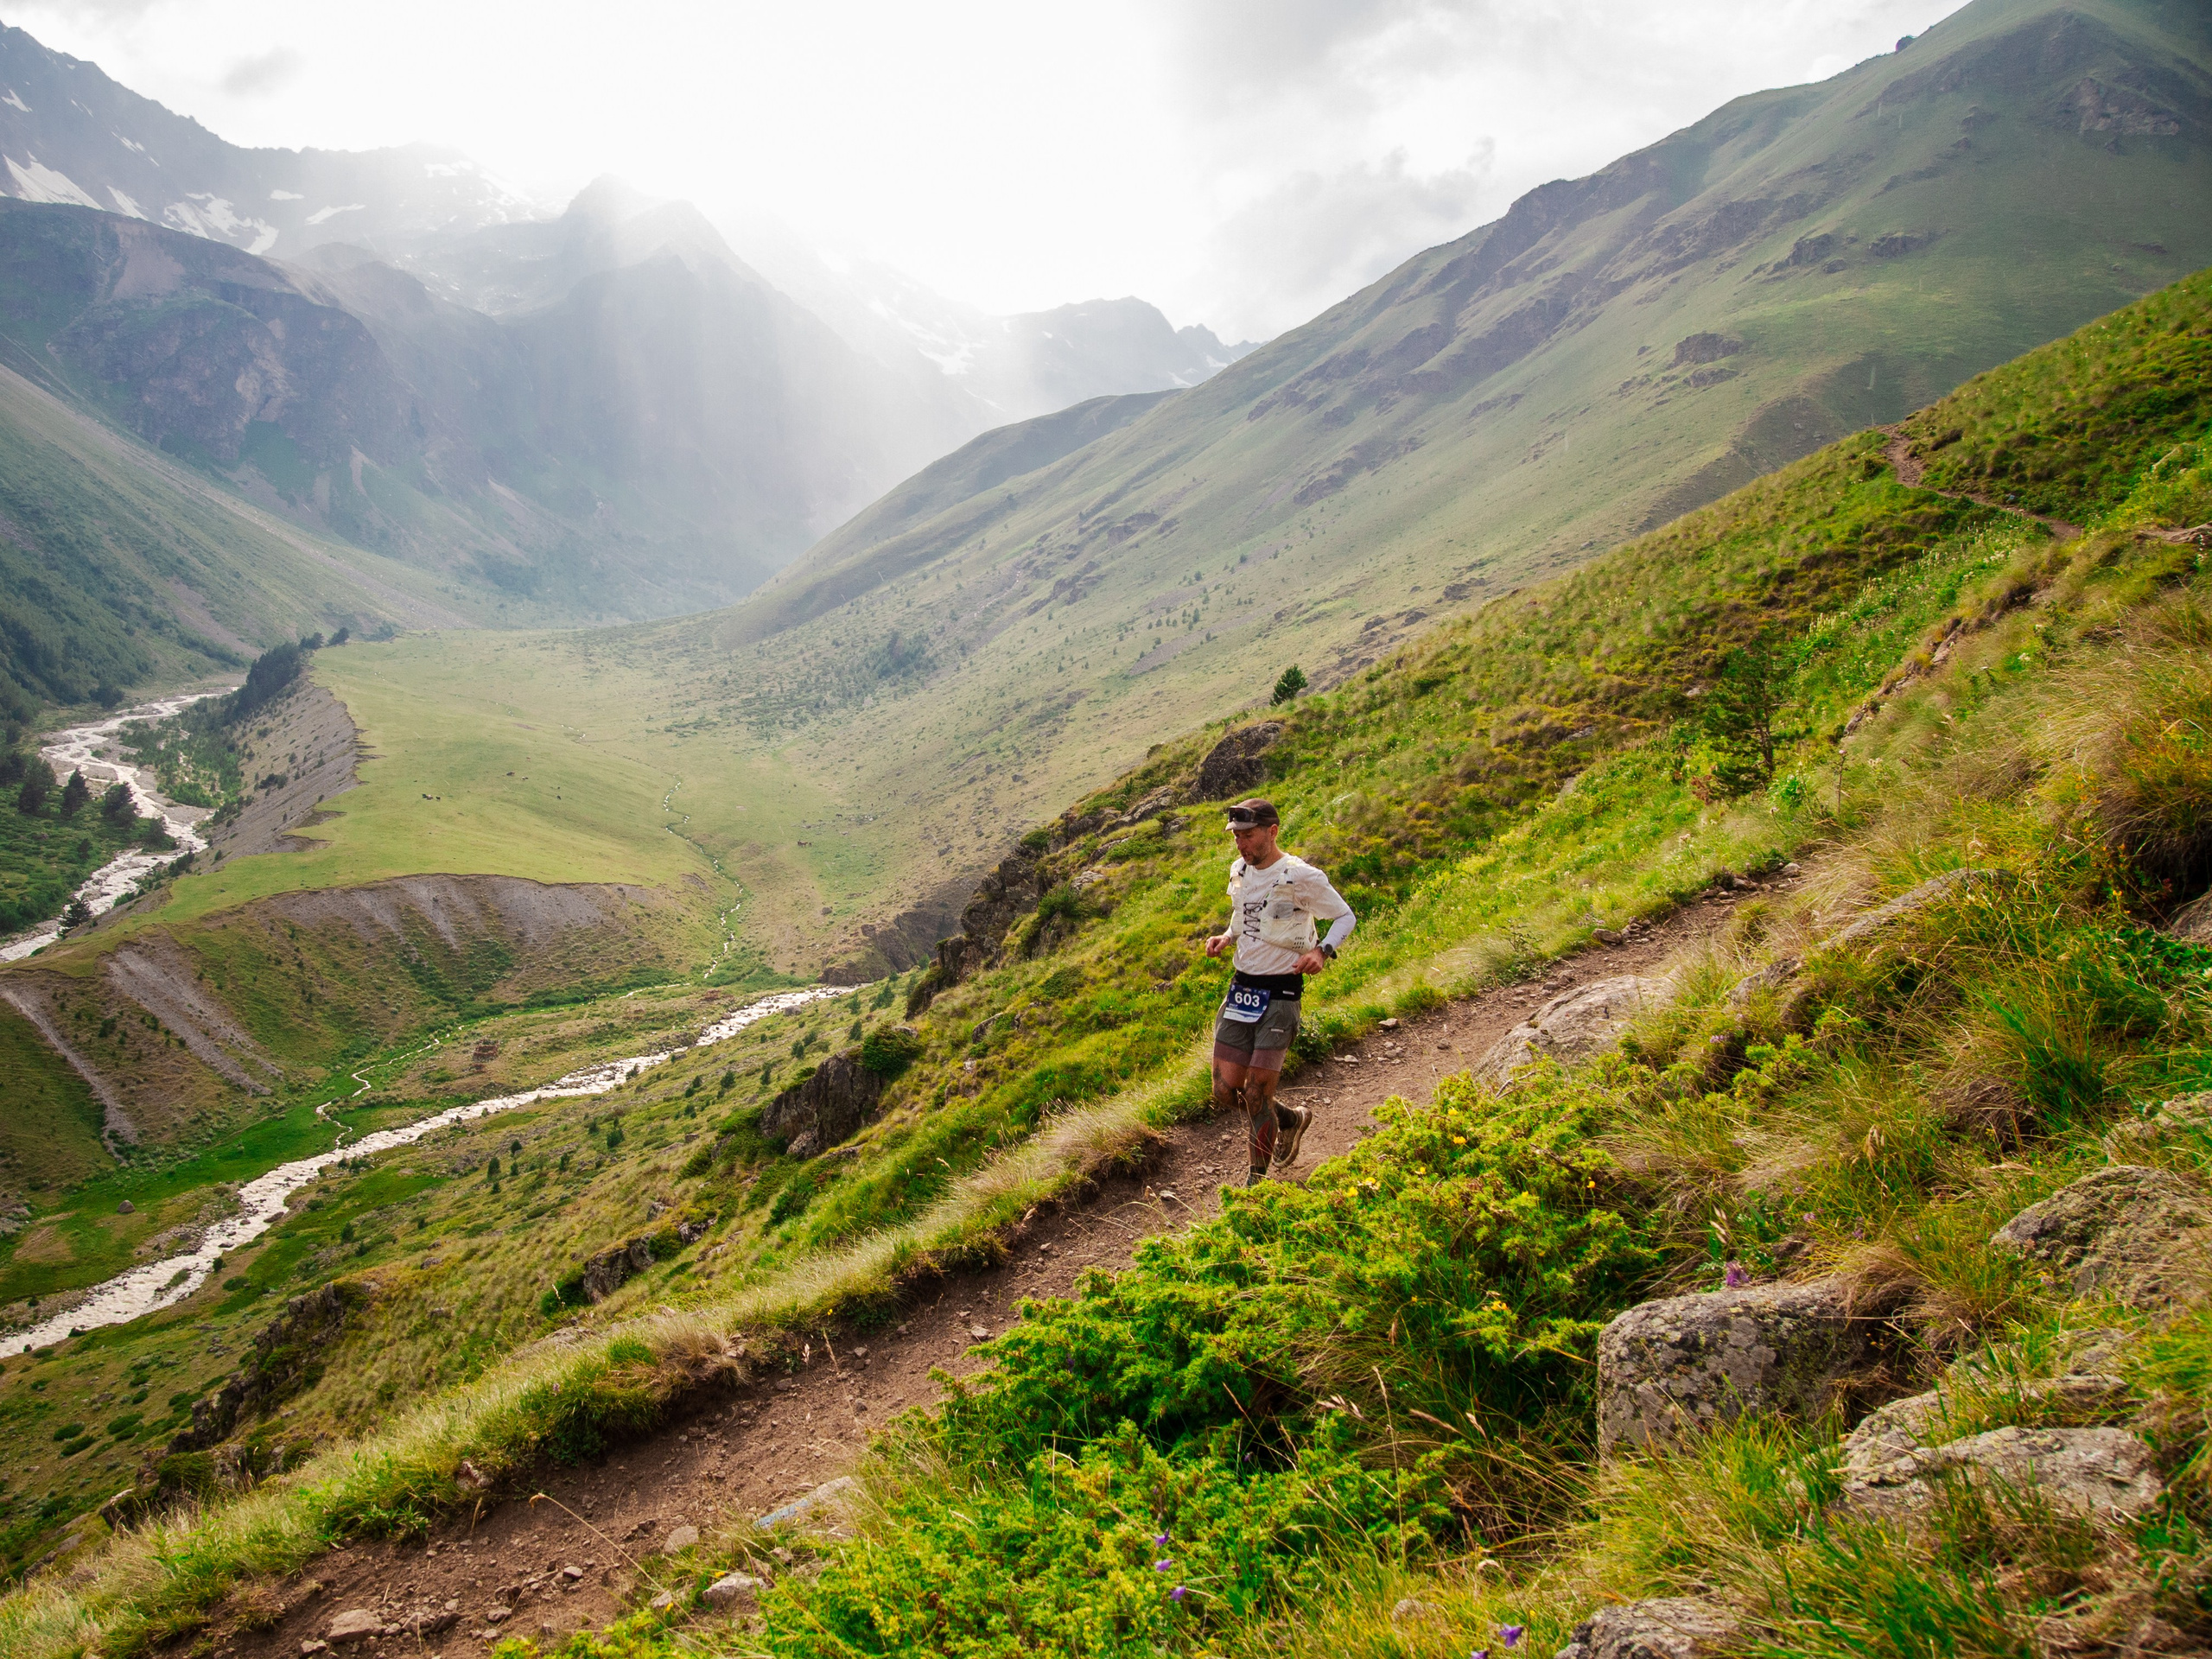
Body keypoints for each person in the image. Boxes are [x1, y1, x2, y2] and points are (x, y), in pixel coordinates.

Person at [1202, 798, 1356, 1185]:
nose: (1241, 845)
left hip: (1281, 991)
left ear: (1272, 832)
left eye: (1248, 836)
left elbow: (1344, 916)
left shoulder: (1301, 876)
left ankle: (1256, 1185)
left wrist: (1323, 951)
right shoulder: (1239, 869)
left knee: (1255, 1092)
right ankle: (1289, 1118)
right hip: (1242, 988)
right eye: (1237, 837)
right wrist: (1227, 935)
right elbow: (1245, 912)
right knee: (1224, 1089)